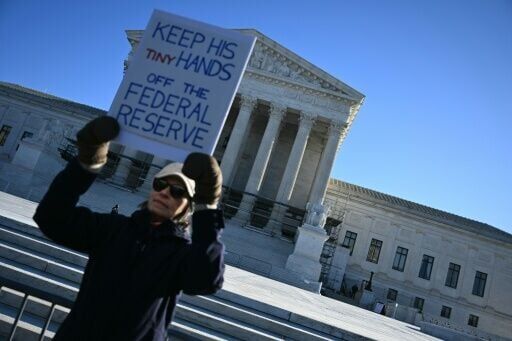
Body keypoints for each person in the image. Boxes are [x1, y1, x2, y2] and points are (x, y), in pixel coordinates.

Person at [33, 116, 225, 340]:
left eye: (177, 191)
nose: (165, 192)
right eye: (160, 184)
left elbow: (206, 280)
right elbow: (51, 218)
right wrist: (86, 163)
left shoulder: (182, 254)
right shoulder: (112, 229)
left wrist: (208, 207)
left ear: (188, 206)